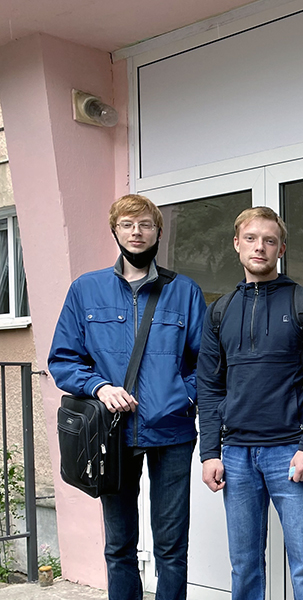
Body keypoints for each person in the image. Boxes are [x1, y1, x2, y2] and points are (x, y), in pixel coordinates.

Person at [48, 194, 207, 600]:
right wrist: (100, 387)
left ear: (158, 232)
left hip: (171, 432)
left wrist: (179, 396)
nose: (137, 232)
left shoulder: (184, 291)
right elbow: (63, 360)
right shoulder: (86, 290)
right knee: (119, 546)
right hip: (111, 435)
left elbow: (206, 364)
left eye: (145, 225)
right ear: (115, 231)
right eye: (127, 224)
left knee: (172, 547)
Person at [196, 207, 303, 600]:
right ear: (237, 244)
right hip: (236, 455)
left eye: (270, 241)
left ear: (281, 248)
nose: (260, 247)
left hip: (291, 452)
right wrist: (210, 453)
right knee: (244, 565)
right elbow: (209, 386)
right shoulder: (219, 311)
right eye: (252, 239)